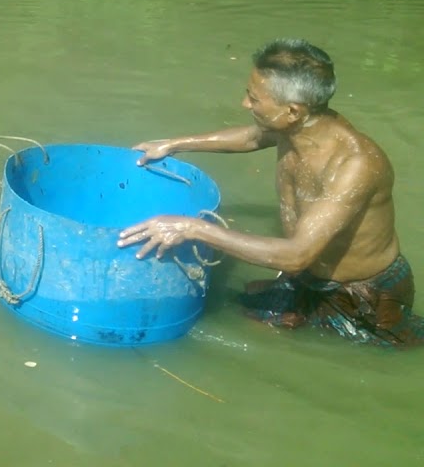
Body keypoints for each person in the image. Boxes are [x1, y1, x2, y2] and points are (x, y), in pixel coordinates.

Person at [117, 38, 423, 348]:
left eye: (253, 98)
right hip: (305, 274)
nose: (245, 104)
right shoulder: (297, 125)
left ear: (292, 110)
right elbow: (252, 137)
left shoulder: (354, 164)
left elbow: (296, 254)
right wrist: (173, 144)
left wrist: (193, 228)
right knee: (248, 313)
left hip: (363, 296)